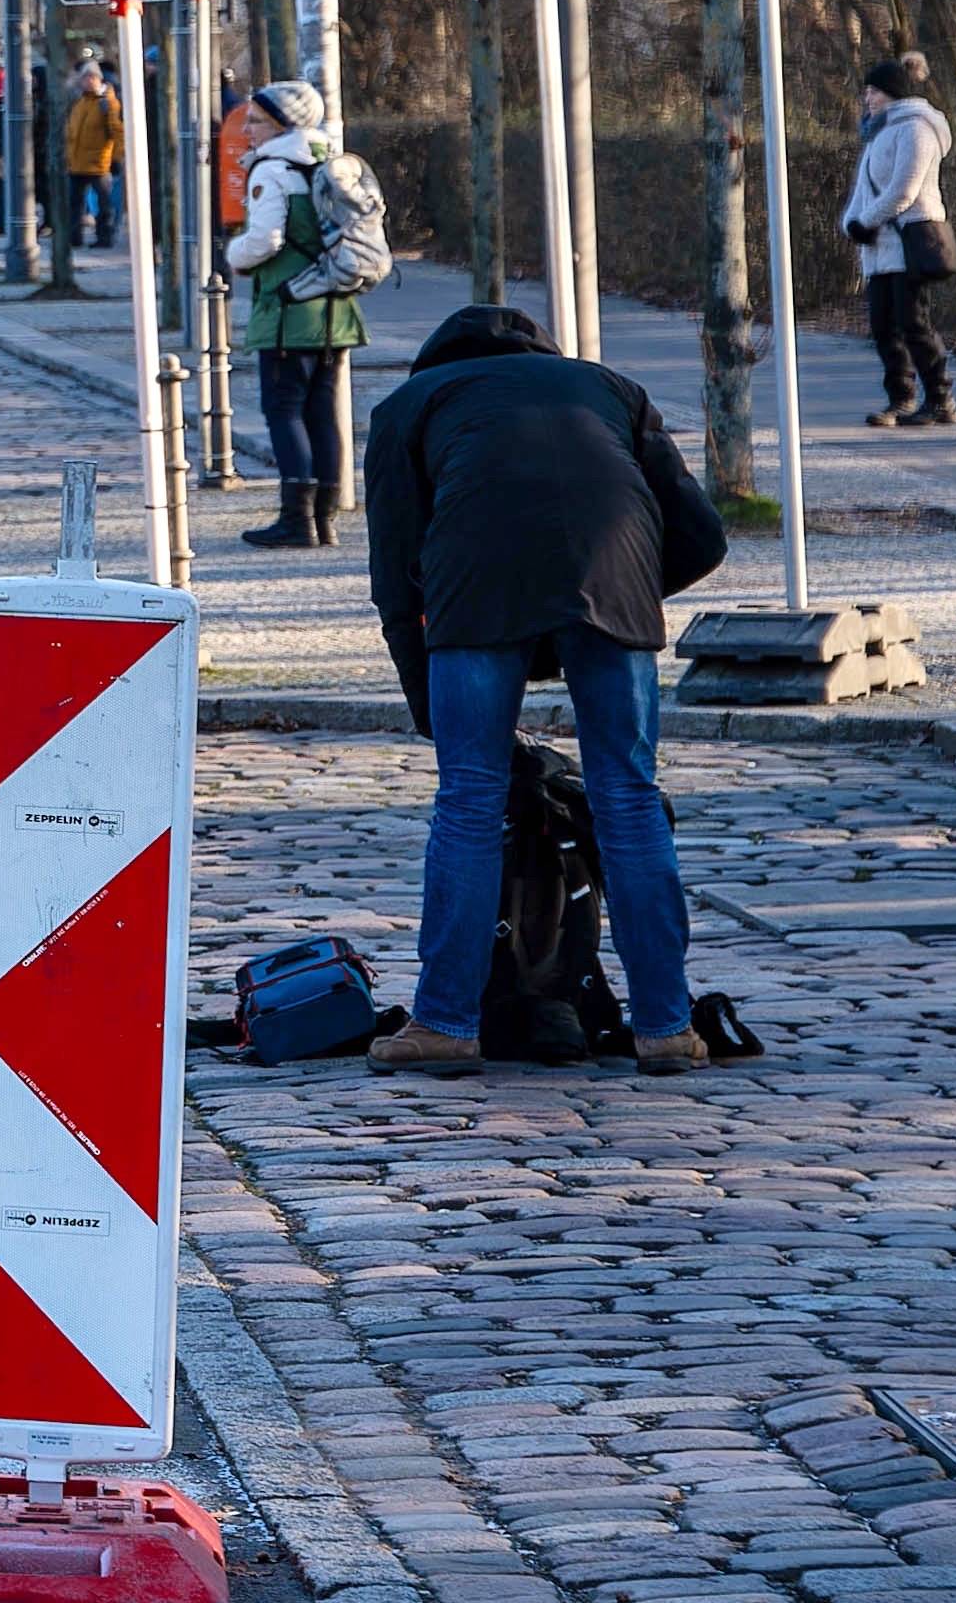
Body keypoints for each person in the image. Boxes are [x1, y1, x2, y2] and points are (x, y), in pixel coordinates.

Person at [352, 296, 725, 1074]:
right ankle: (664, 1023)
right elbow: (703, 534)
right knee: (627, 794)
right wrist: (621, 594)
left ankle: (447, 1022)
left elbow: (395, 576)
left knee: (469, 799)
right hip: (614, 577)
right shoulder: (611, 388)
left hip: (474, 594)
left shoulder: (407, 406)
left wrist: (428, 704)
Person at [223, 82, 386, 548]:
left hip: (287, 309)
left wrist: (235, 254)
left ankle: (296, 520)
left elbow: (266, 240)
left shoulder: (273, 169)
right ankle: (325, 519)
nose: (248, 129)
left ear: (281, 123)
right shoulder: (326, 160)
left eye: (255, 120)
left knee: (284, 410)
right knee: (323, 413)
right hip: (334, 306)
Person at [847, 50, 956, 430]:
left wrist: (867, 221)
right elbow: (865, 190)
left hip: (908, 244)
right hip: (879, 249)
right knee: (883, 327)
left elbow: (905, 189)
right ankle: (901, 398)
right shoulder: (878, 132)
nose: (868, 99)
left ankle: (941, 398)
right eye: (866, 92)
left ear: (894, 92)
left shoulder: (917, 127)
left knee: (914, 324)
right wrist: (852, 222)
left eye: (875, 92)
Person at [51, 54, 123, 290]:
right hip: (78, 162)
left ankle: (104, 236)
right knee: (76, 203)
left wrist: (116, 157)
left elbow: (116, 131)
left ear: (94, 79)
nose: (82, 83)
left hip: (98, 162)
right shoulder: (81, 102)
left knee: (103, 203)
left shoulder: (107, 103)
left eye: (85, 79)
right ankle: (76, 236)